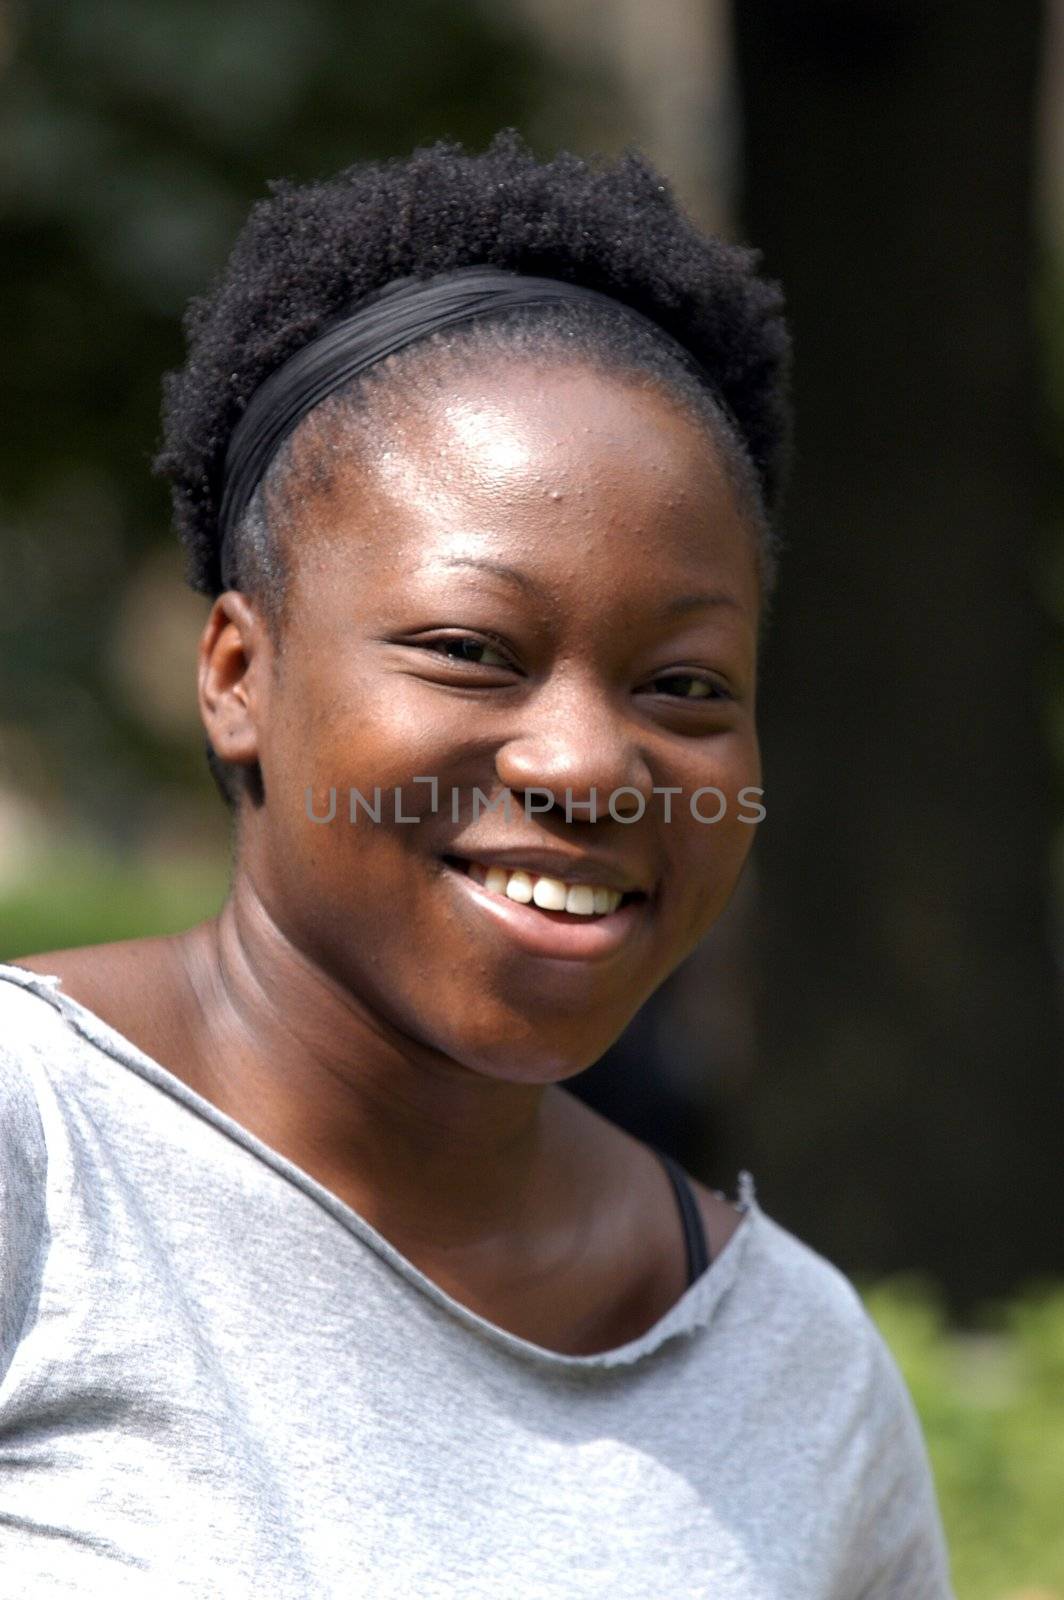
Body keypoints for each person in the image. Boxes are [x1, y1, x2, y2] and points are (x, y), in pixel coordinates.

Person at [0, 129, 954, 1596]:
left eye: (685, 686)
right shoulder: (40, 1152)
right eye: (468, 651)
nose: (584, 765)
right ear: (239, 671)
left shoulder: (796, 1370)